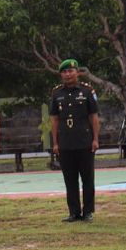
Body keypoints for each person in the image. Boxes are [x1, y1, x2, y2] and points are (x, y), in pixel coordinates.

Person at [49, 59, 99, 222]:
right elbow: (55, 119)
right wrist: (55, 143)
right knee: (69, 179)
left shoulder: (87, 91)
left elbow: (93, 116)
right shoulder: (56, 93)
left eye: (70, 71)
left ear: (77, 72)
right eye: (64, 72)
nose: (67, 74)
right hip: (65, 142)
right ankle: (74, 212)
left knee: (87, 179)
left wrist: (95, 139)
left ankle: (88, 211)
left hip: (84, 141)